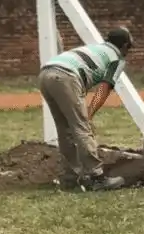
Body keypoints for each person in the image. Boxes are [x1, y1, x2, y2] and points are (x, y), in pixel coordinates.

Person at [37, 27, 133, 191]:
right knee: (82, 128)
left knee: (64, 129)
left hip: (45, 74)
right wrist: (89, 115)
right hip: (66, 77)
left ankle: (70, 177)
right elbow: (103, 89)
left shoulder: (95, 48)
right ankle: (97, 177)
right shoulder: (117, 60)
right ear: (125, 46)